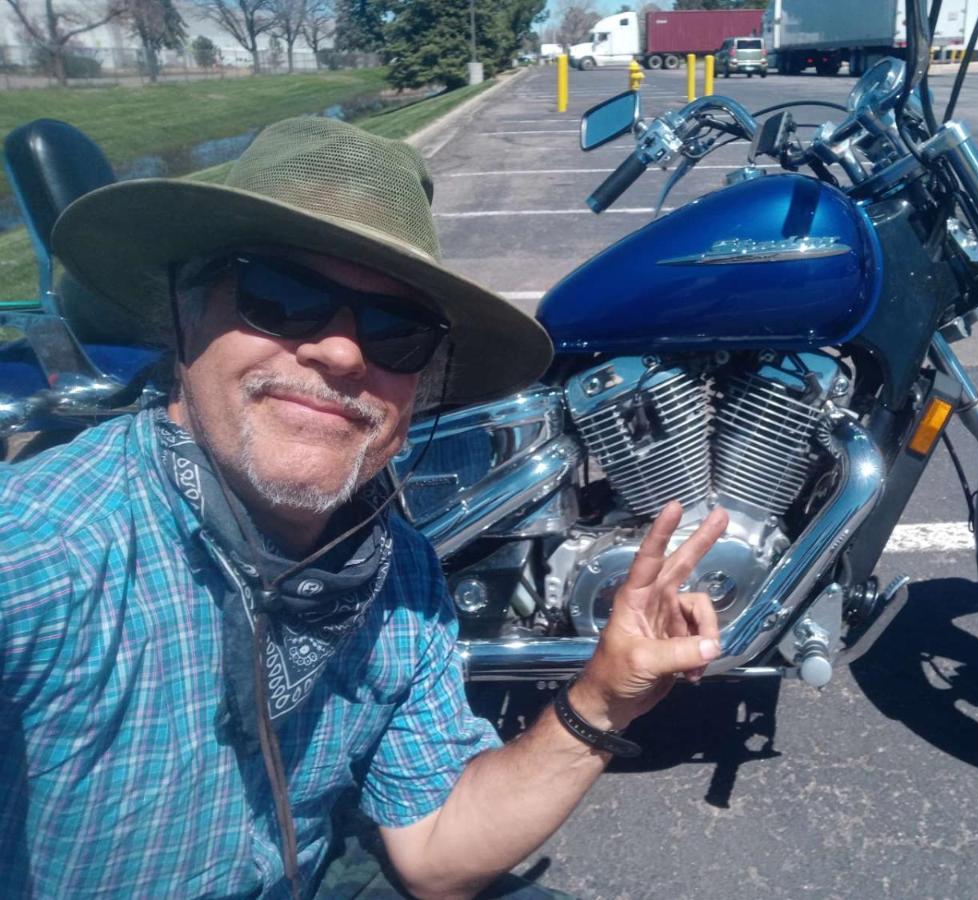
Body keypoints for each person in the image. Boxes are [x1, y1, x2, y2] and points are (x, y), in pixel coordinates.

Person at [0, 116, 728, 899]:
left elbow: (435, 850)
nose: (344, 353)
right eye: (279, 296)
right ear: (185, 313)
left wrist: (600, 700)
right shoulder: (47, 550)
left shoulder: (395, 568)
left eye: (396, 329)